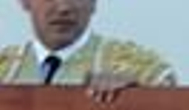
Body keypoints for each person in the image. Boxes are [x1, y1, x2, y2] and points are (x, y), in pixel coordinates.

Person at [0, 0, 175, 101]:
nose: (63, 8)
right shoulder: (4, 69)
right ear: (24, 2)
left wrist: (137, 96)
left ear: (94, 3)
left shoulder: (139, 68)